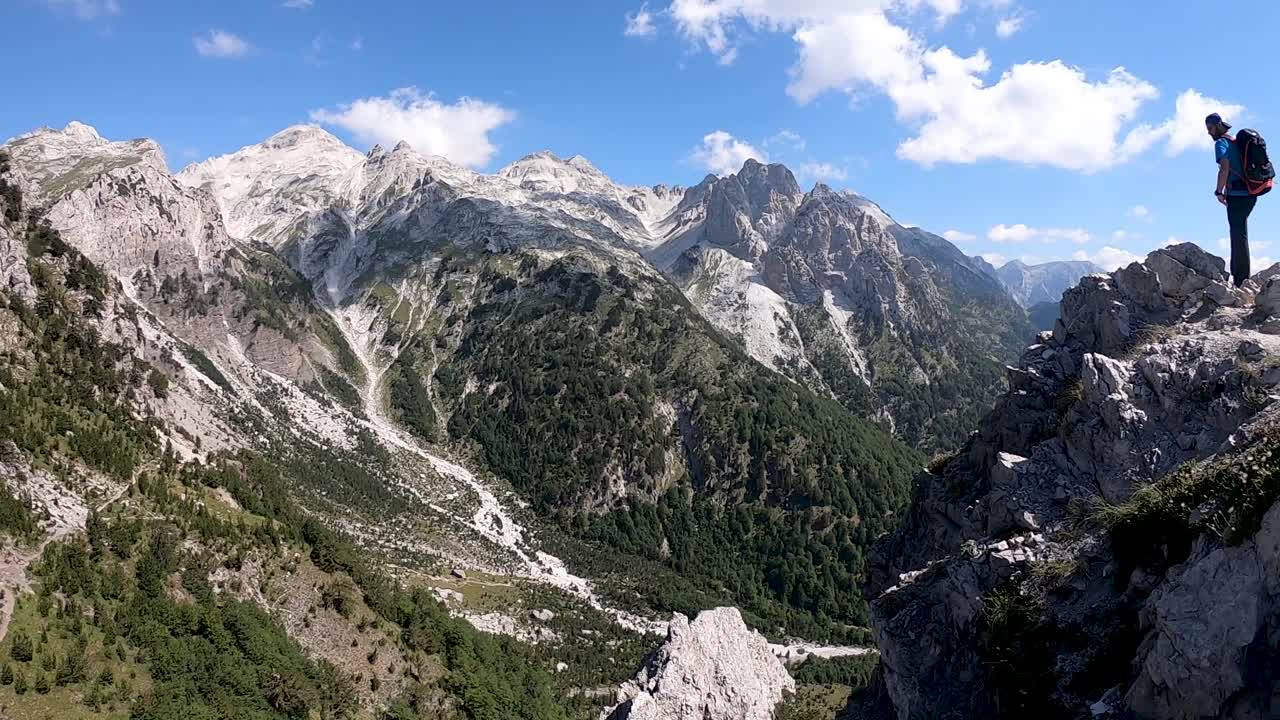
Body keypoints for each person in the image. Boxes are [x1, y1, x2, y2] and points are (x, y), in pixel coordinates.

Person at [1207, 112, 1254, 287]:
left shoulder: (1221, 143)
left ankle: (1241, 280)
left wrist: (1219, 191)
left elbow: (1224, 168)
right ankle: (1242, 278)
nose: (1209, 132)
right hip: (1250, 193)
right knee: (1240, 232)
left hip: (1237, 195)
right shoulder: (1236, 142)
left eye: (1210, 128)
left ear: (1219, 125)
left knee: (1237, 234)